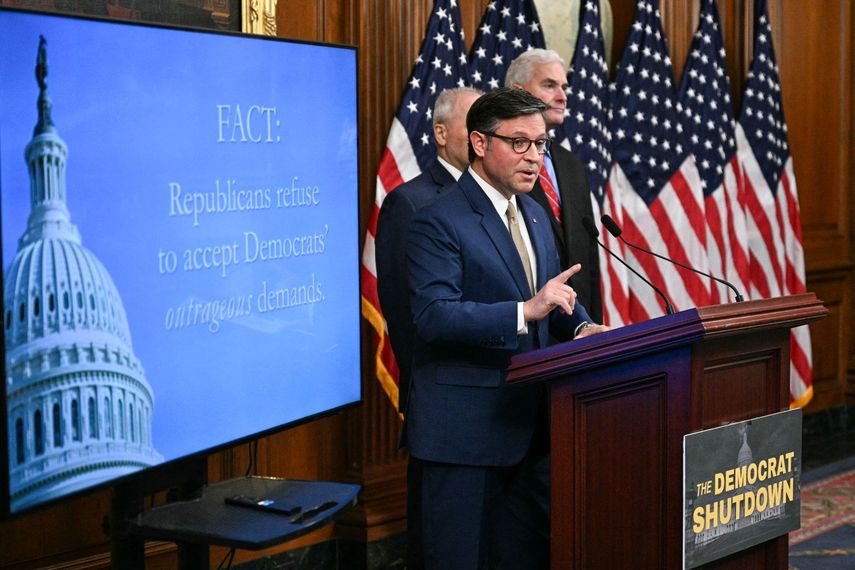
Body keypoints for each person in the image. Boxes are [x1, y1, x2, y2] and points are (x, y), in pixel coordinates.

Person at [405, 87, 608, 570]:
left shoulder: (535, 213)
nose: (534, 157)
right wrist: (522, 312)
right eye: (519, 143)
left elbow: (551, 295)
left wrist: (581, 330)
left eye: (540, 144)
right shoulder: (435, 219)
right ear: (479, 143)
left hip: (532, 426)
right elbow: (433, 315)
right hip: (465, 435)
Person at [375, 86, 482, 570]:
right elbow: (406, 316)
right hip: (447, 408)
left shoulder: (509, 198)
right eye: (473, 124)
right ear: (440, 134)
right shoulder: (410, 203)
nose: (486, 135)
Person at [506, 48, 603, 323]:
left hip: (577, 327)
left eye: (564, 87)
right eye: (549, 85)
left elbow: (589, 256)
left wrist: (593, 327)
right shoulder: (500, 163)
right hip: (527, 327)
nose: (562, 96)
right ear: (518, 91)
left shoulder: (571, 164)